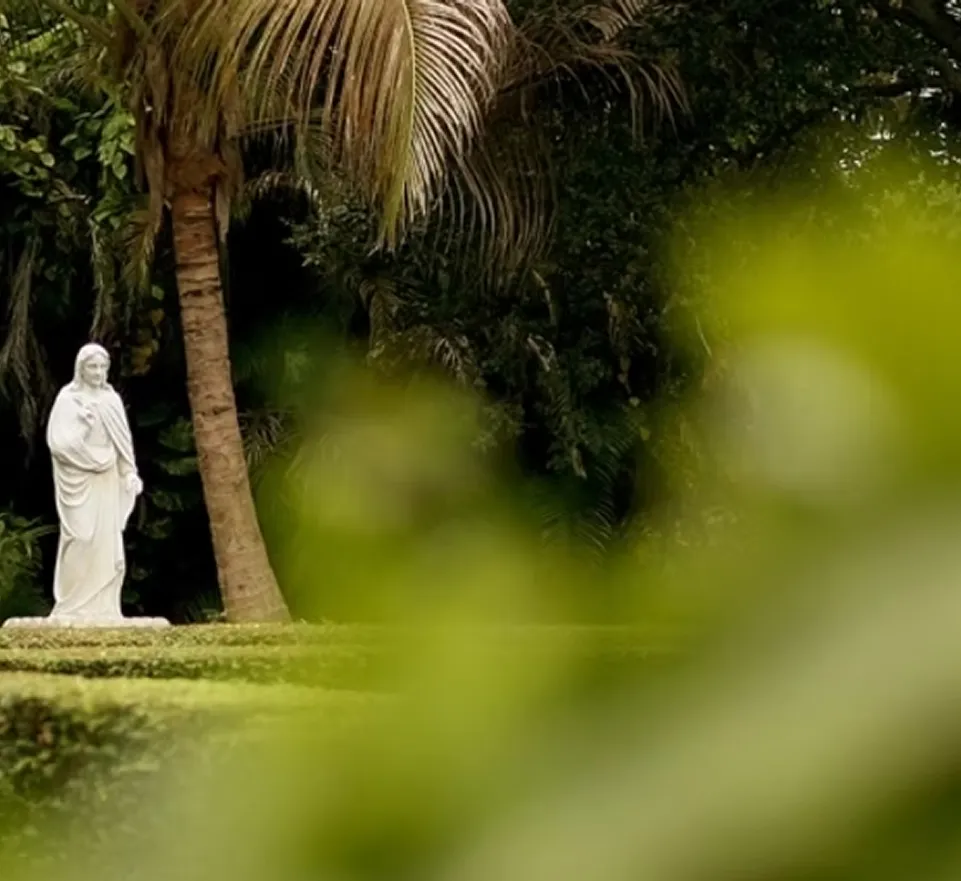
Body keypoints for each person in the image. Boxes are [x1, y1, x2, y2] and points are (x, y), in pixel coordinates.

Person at [45, 343, 143, 622]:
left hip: (108, 479)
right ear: (81, 368)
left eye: (102, 367)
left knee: (106, 542)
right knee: (80, 537)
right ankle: (70, 605)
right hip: (77, 479)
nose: (98, 372)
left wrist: (129, 473)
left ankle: (104, 607)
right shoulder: (68, 399)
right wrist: (83, 427)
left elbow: (123, 444)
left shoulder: (111, 401)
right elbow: (58, 443)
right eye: (92, 366)